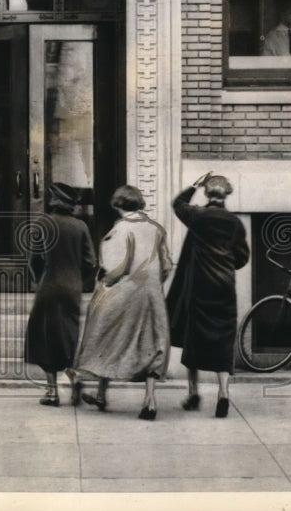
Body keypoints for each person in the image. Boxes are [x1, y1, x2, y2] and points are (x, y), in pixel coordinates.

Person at [75, 185, 172, 420]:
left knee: (106, 336)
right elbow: (166, 265)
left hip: (126, 293)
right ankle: (150, 400)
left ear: (118, 205)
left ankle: (101, 392)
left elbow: (114, 268)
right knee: (152, 344)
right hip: (151, 295)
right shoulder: (156, 229)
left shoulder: (121, 230)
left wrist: (104, 282)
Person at [166, 172, 250, 418]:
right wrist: (226, 264)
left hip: (199, 286)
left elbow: (178, 204)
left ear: (207, 193)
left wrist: (195, 184)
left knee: (194, 338)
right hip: (224, 286)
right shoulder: (234, 223)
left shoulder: (197, 216)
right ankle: (223, 393)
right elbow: (242, 256)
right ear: (227, 195)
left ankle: (193, 393)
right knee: (223, 341)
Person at [23, 182, 97, 407]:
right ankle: (73, 374)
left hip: (49, 286)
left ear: (53, 201)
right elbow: (91, 262)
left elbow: (34, 259)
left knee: (45, 337)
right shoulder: (81, 226)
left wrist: (38, 279)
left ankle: (52, 392)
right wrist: (80, 281)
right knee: (68, 334)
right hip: (72, 288)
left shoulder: (43, 223)